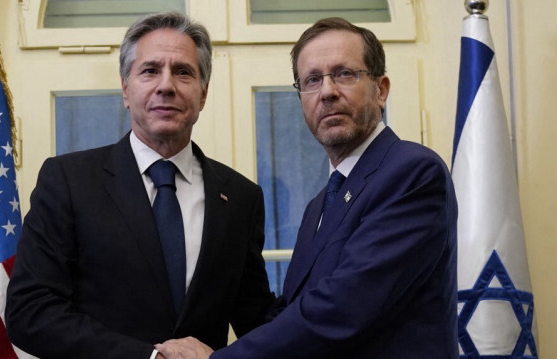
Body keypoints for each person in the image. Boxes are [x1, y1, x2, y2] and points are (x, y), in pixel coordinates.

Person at [156, 17, 459, 359]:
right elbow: (292, 314)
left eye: (345, 73)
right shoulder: (319, 205)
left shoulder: (412, 172)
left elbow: (343, 308)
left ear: (382, 89)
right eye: (312, 80)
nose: (327, 91)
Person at [5, 12, 274, 359]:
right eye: (150, 71)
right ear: (126, 89)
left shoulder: (240, 197)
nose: (166, 85)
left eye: (183, 72)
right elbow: (30, 311)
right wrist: (150, 357)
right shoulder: (69, 181)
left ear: (203, 93)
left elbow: (256, 316)